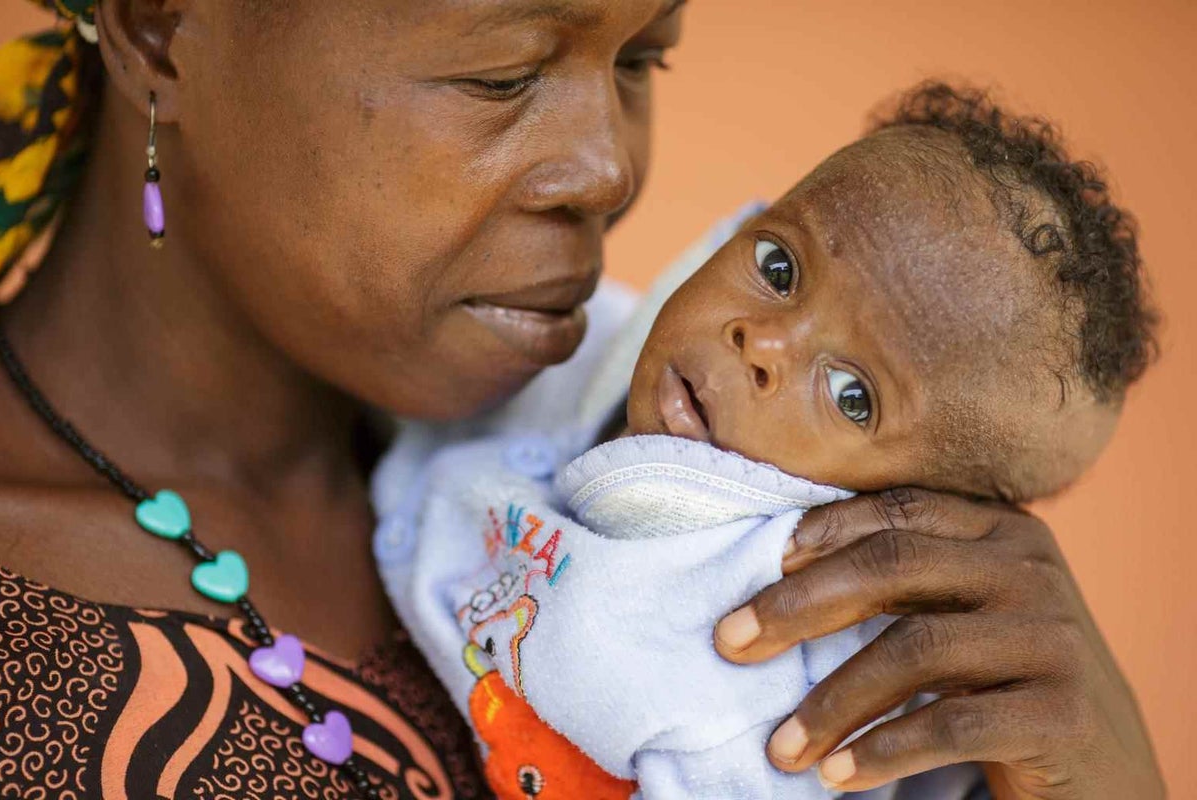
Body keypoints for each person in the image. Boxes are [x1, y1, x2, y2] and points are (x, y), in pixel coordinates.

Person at [0, 2, 1164, 799]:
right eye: (502, 73)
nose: (610, 170)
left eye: (640, 58)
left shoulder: (750, 558)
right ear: (161, 26)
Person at [373, 83, 1158, 799]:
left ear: (905, 510)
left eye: (853, 396)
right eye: (779, 267)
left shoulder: (783, 684)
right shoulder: (576, 349)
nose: (764, 346)